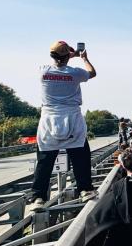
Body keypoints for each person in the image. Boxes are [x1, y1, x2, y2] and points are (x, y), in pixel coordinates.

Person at [31, 41, 97, 207]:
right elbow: (92, 73)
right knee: (80, 156)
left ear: (51, 55)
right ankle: (85, 190)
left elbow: (58, 64)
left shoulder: (43, 71)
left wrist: (67, 56)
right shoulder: (75, 73)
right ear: (68, 55)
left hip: (49, 119)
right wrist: (83, 58)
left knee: (44, 160)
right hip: (71, 118)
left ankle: (38, 197)